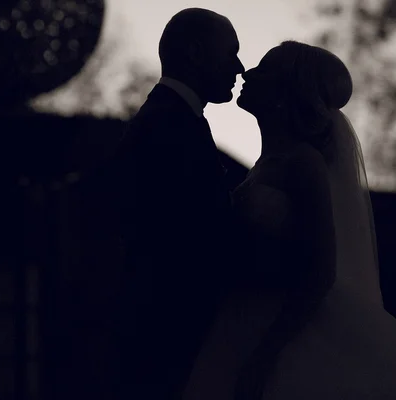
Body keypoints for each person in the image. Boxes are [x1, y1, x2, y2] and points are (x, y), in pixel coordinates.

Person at [182, 41, 396, 400]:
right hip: (241, 319)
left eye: (264, 69)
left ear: (286, 92)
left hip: (287, 333)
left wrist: (267, 354)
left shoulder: (304, 164)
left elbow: (320, 272)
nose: (248, 73)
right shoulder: (265, 163)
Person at [110, 8, 245, 400]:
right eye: (230, 53)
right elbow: (190, 238)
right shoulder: (168, 126)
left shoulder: (174, 119)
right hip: (166, 334)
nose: (239, 68)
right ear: (196, 52)